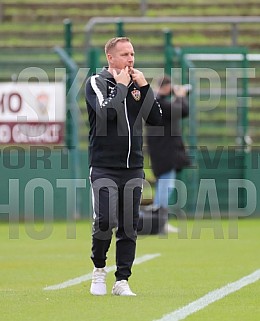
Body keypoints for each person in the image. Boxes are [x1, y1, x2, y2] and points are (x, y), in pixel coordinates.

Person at [85, 37, 162, 296]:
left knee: (129, 225)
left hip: (133, 167)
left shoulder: (136, 85)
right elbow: (106, 114)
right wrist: (119, 87)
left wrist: (144, 87)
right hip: (104, 166)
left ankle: (122, 281)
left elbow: (157, 119)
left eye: (132, 53)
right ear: (110, 58)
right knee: (105, 221)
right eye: (125, 54)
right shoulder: (97, 82)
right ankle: (98, 269)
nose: (131, 59)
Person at [146, 75, 191, 230]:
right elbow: (182, 110)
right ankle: (159, 221)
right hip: (164, 152)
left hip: (162, 151)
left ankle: (159, 220)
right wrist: (180, 97)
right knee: (166, 186)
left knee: (164, 185)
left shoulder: (156, 102)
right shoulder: (159, 103)